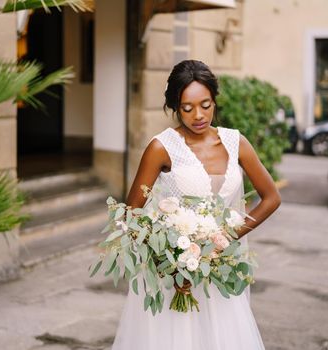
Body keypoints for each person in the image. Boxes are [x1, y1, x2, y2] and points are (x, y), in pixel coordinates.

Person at [111, 60, 281, 350]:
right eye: (187, 108)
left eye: (206, 104)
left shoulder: (235, 142)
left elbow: (271, 197)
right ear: (175, 107)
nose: (198, 115)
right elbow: (130, 213)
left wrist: (225, 239)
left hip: (219, 272)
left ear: (215, 100)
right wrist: (167, 260)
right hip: (174, 275)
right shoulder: (161, 147)